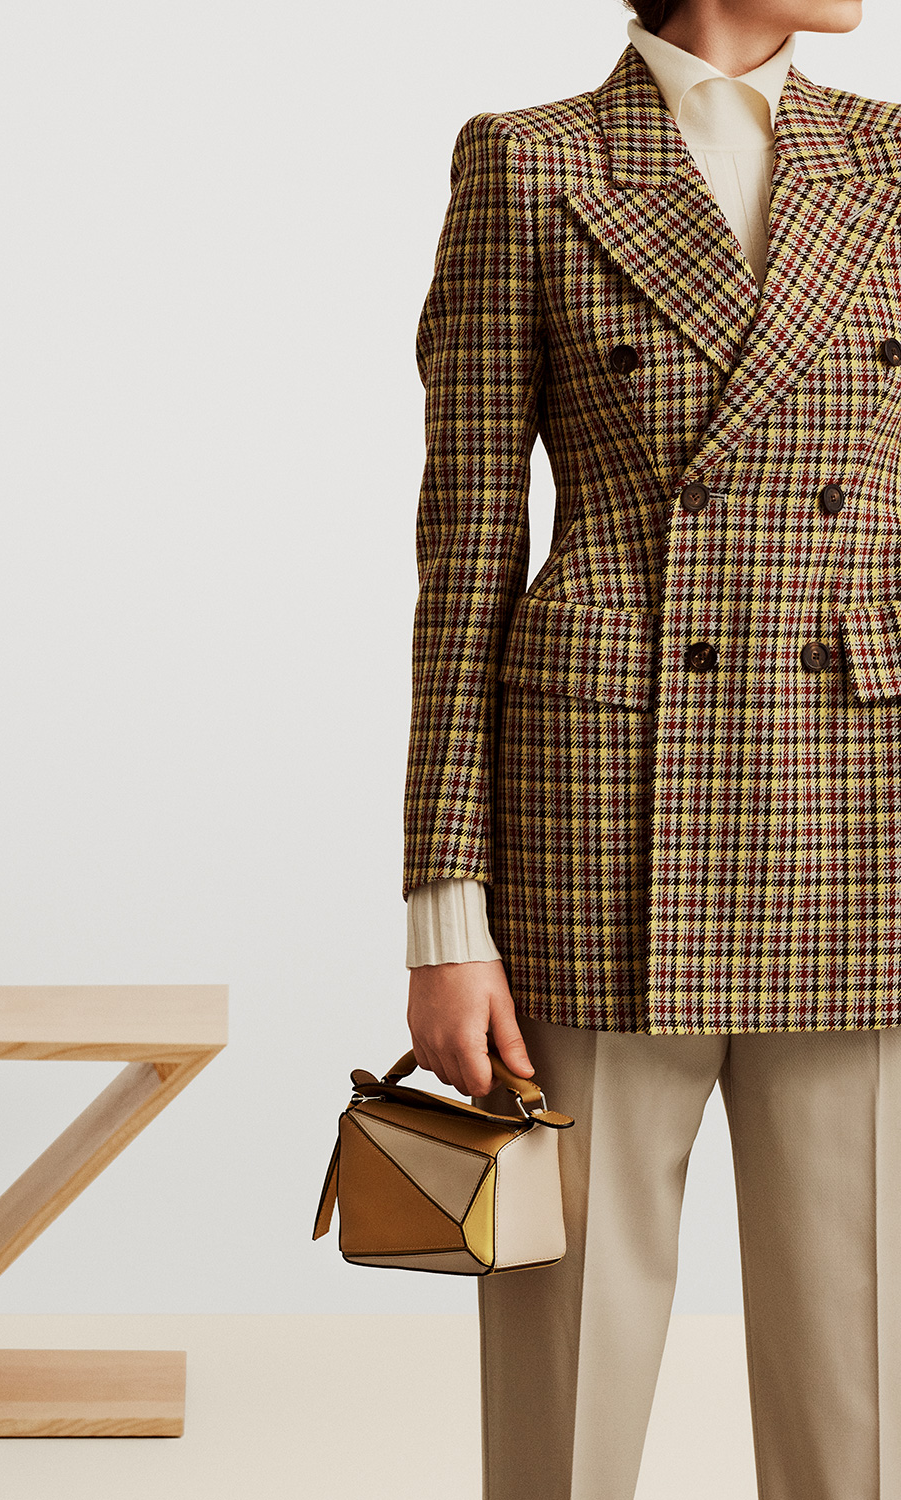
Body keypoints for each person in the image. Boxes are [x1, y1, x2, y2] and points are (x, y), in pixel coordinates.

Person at [402, 1, 901, 1496]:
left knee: (860, 1362)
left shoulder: (890, 164)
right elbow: (466, 552)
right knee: (568, 1356)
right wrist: (445, 909)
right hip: (602, 810)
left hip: (850, 803)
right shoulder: (530, 163)